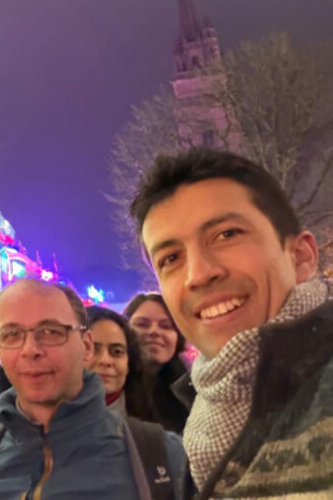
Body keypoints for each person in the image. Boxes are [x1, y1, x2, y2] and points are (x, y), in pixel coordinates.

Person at [131, 147, 331, 497]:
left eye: (227, 234)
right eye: (171, 258)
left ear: (300, 257)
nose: (199, 274)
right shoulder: (199, 423)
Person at [0, 279, 189, 500]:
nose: (30, 349)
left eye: (50, 332)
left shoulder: (159, 456)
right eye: (12, 334)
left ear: (86, 345)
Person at [124, 293, 191, 434]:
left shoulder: (189, 391)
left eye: (165, 326)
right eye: (142, 324)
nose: (154, 332)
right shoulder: (111, 388)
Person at [86, 306, 154, 420]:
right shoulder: (47, 426)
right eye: (93, 349)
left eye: (116, 351)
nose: (105, 361)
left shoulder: (149, 434)